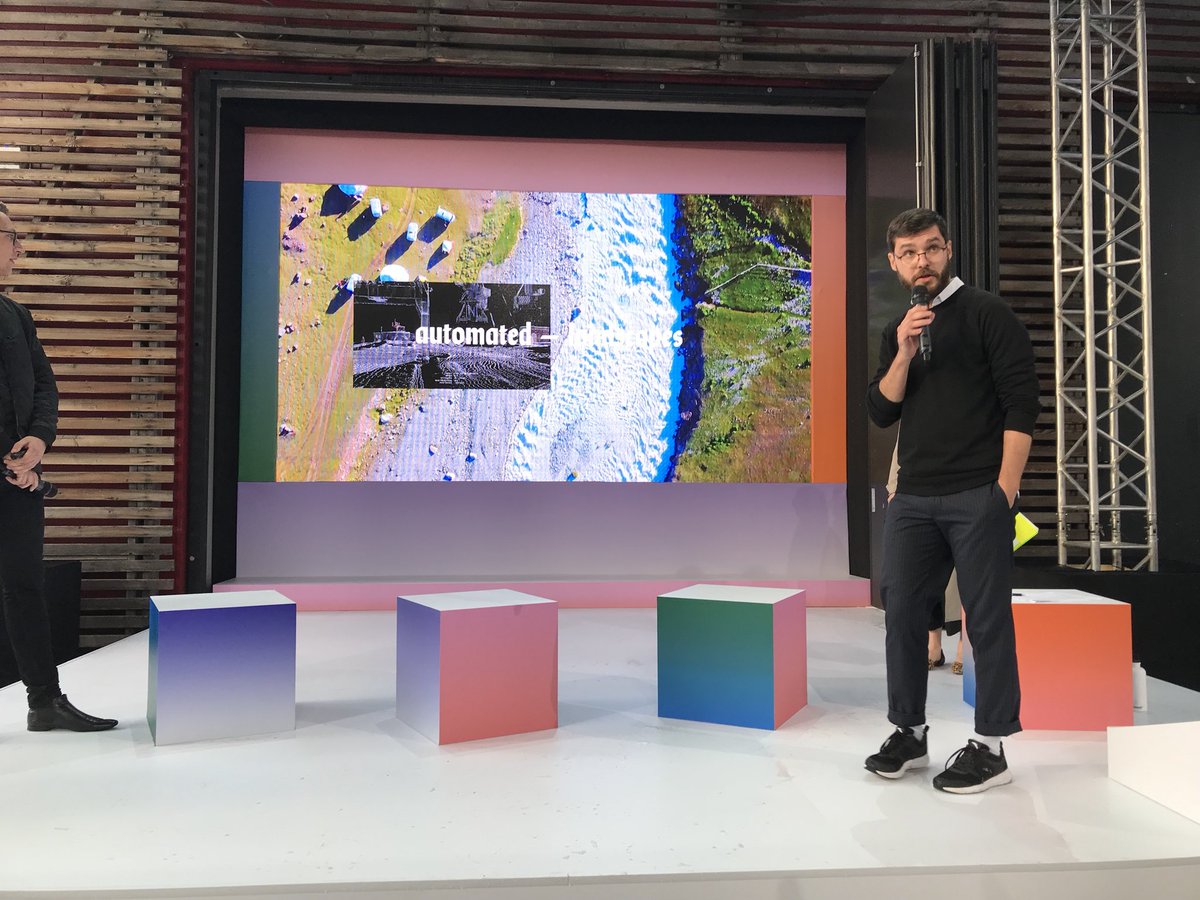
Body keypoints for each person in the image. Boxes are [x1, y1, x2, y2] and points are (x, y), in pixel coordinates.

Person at [864, 208, 1039, 793]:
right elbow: (881, 410)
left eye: (931, 248)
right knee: (902, 615)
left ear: (948, 251)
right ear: (895, 262)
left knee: (986, 621)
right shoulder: (899, 329)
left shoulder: (989, 313)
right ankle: (909, 732)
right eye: (910, 252)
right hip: (913, 496)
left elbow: (1022, 406)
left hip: (977, 495)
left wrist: (1003, 493)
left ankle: (990, 746)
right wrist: (903, 351)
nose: (922, 260)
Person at [0, 201, 117, 732]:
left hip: (18, 480)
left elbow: (44, 385)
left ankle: (44, 702)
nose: (19, 249)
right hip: (11, 473)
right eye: (13, 237)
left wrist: (38, 442)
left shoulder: (16, 315)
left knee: (26, 587)